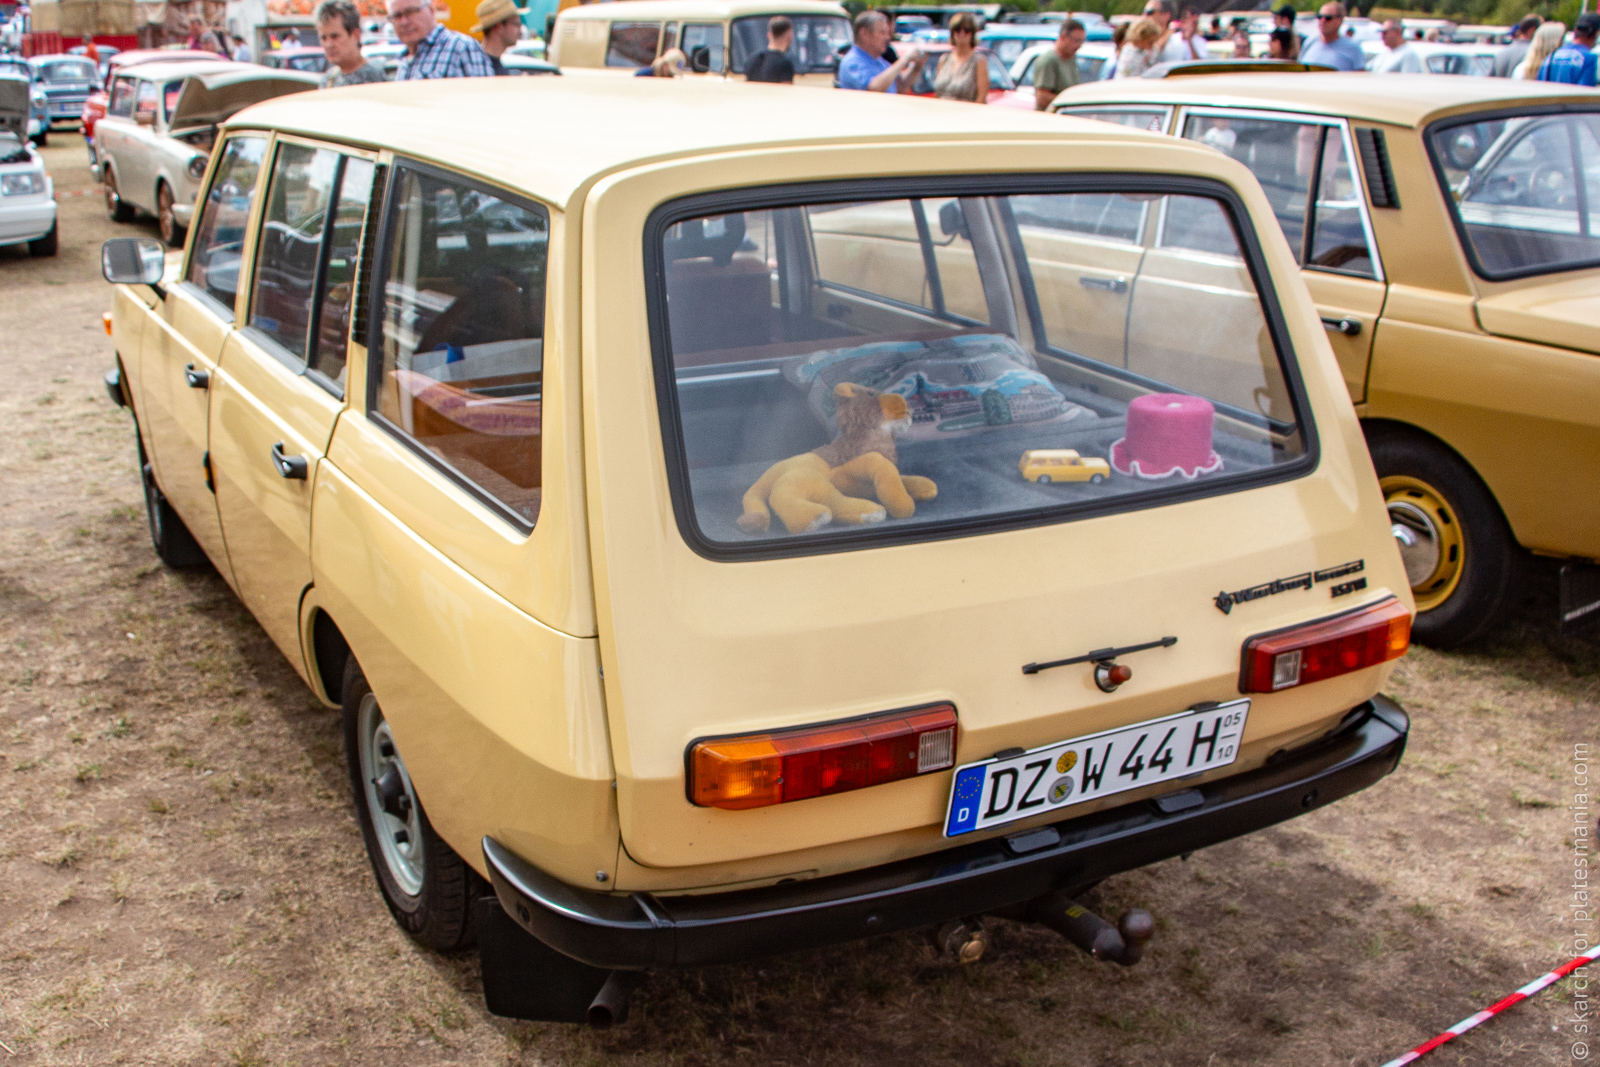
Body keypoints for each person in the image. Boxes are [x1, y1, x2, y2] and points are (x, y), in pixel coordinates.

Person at [388, 0, 494, 79]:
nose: (404, 22)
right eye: (397, 16)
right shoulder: (404, 60)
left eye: (410, 12)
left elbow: (484, 101)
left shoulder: (461, 47)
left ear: (431, 10)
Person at [838, 10, 921, 92]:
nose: (887, 38)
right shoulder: (852, 62)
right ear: (864, 34)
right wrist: (904, 59)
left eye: (887, 33)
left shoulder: (879, 61)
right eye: (882, 33)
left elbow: (901, 86)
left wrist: (917, 67)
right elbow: (874, 88)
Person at [318, 0, 387, 87]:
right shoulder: (328, 80)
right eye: (323, 38)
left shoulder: (373, 78)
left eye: (335, 37)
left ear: (355, 36)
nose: (328, 45)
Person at [932, 11, 988, 102]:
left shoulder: (979, 61)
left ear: (972, 34)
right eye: (957, 30)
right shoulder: (944, 59)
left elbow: (981, 98)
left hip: (966, 113)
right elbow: (937, 94)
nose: (962, 34)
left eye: (967, 30)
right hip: (942, 112)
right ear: (952, 33)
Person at [1033, 18, 1084, 110]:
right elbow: (1042, 97)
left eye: (1081, 41)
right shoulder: (1048, 60)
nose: (1078, 46)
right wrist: (1068, 103)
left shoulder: (1071, 59)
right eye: (1076, 41)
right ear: (1063, 37)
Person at [1298, 2, 1363, 70]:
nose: (1322, 21)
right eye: (1319, 17)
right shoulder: (1310, 43)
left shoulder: (1353, 49)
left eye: (1328, 18)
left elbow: (1361, 77)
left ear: (1339, 21)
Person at [1539, 13, 1599, 86]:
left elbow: (1540, 85)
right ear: (1596, 33)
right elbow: (1585, 93)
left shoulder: (1552, 55)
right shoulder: (1588, 58)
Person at [471, 0, 521, 75]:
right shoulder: (479, 68)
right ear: (499, 27)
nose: (520, 30)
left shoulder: (483, 63)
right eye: (516, 24)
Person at [744, 14, 795, 83]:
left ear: (769, 35)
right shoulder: (785, 64)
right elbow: (786, 91)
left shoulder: (751, 60)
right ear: (789, 36)